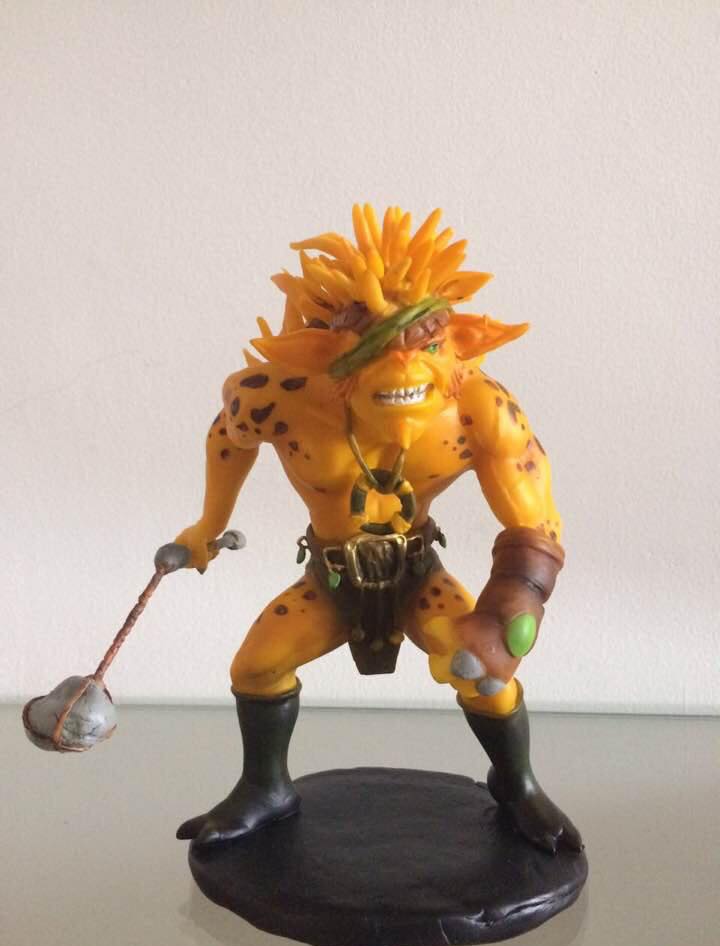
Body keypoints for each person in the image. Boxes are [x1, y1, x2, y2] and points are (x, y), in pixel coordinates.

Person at [169, 204, 582, 854]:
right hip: (329, 577)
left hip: (419, 575)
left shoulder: (478, 408)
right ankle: (264, 788)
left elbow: (536, 520)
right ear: (327, 353)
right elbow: (227, 438)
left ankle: (517, 784)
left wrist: (510, 606)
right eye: (375, 349)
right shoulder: (278, 398)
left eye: (427, 346)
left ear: (456, 343)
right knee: (257, 666)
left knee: (486, 677)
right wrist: (207, 525)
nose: (405, 371)